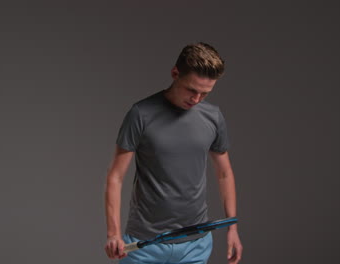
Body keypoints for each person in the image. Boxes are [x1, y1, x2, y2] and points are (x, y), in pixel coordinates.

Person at [104, 42, 242, 264]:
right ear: (175, 73)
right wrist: (113, 233)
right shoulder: (141, 114)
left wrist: (232, 228)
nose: (196, 99)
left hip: (195, 244)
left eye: (204, 94)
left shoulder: (213, 117)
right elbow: (115, 176)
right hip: (145, 243)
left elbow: (224, 173)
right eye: (192, 90)